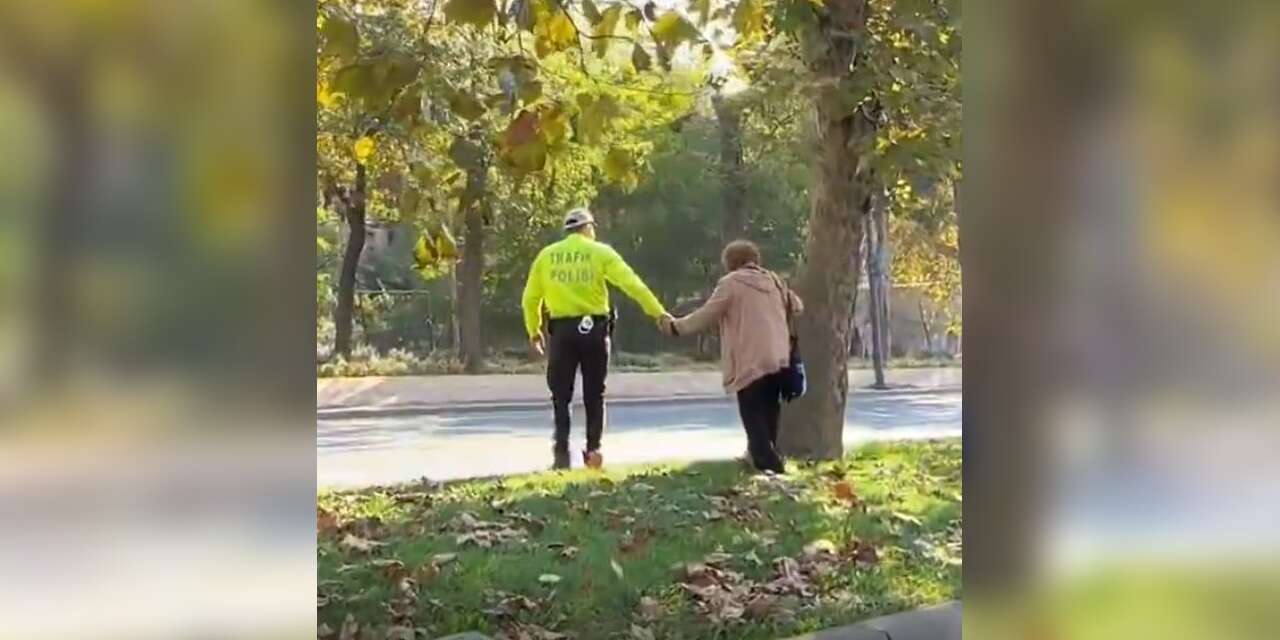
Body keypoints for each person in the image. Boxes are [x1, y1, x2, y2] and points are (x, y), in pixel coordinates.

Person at [522, 207, 671, 470]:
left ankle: (560, 453)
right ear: (588, 228)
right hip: (594, 330)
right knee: (595, 393)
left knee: (561, 395)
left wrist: (534, 331)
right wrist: (657, 313)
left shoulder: (547, 256)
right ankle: (593, 451)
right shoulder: (600, 252)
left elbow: (531, 298)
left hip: (562, 332)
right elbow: (632, 284)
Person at [659, 240, 802, 474]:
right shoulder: (775, 281)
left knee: (752, 413)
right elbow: (798, 306)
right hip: (778, 356)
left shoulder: (731, 284)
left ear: (730, 263)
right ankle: (760, 457)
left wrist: (676, 327)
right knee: (770, 410)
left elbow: (707, 314)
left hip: (749, 358)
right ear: (755, 259)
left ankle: (770, 465)